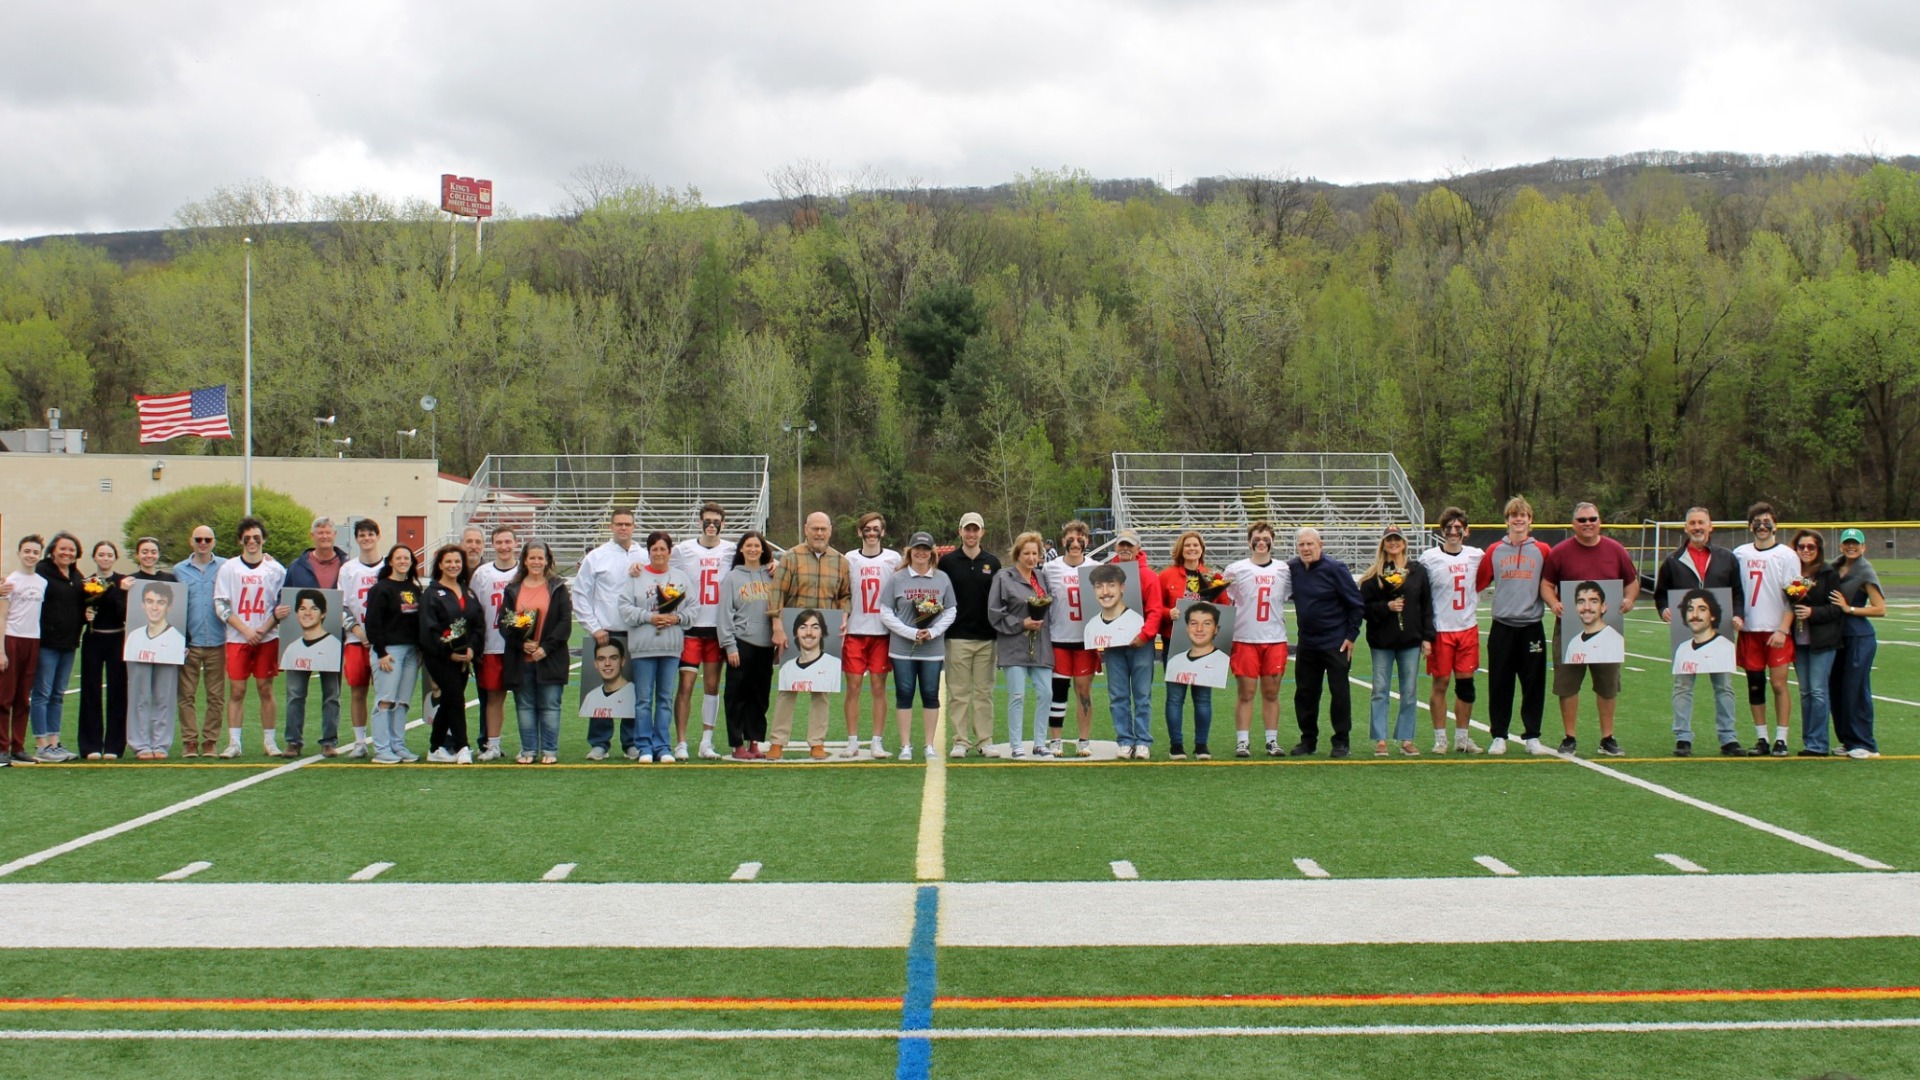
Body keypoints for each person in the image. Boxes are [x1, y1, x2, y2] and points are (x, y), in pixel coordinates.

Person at [1541, 502, 1638, 757]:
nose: (1588, 523)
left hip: (1608, 629)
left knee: (1607, 685)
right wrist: (1553, 602)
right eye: (1582, 520)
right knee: (1568, 686)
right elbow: (1546, 584)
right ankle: (1569, 737)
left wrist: (1629, 600)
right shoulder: (1560, 552)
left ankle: (1607, 737)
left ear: (1600, 521)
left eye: (1592, 518)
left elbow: (1632, 583)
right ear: (1574, 524)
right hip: (1569, 627)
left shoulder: (1615, 550)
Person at [1652, 508, 1745, 757]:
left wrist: (1738, 614)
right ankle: (1683, 737)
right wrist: (1664, 610)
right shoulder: (1673, 560)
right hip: (1686, 632)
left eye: (1701, 522)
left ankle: (1728, 737)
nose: (1697, 527)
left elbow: (1737, 592)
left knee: (1724, 686)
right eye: (1692, 523)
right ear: (1686, 528)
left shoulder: (1726, 558)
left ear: (1710, 526)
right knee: (1683, 686)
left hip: (1720, 631)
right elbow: (1660, 594)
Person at [1476, 496, 1555, 755]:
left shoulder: (1543, 550)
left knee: (1533, 684)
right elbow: (1478, 583)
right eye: (1513, 515)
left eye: (1523, 515)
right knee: (1500, 683)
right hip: (1502, 626)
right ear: (1507, 520)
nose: (1518, 520)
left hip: (1531, 626)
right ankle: (1499, 735)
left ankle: (1532, 736)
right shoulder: (1494, 550)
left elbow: (1552, 582)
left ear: (1530, 520)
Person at [770, 511, 851, 761]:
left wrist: (844, 616)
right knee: (788, 687)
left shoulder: (840, 561)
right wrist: (777, 625)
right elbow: (777, 593)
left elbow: (845, 595)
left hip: (824, 633)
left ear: (830, 531)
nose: (819, 533)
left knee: (821, 690)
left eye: (823, 529)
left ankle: (817, 742)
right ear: (806, 529)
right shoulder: (791, 557)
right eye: (814, 528)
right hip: (794, 631)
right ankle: (777, 741)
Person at [572, 508, 648, 760]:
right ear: (611, 526)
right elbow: (580, 594)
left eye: (627, 524)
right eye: (618, 524)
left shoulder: (645, 555)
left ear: (634, 527)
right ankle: (599, 743)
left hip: (637, 632)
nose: (623, 528)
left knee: (634, 690)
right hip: (606, 633)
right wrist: (594, 627)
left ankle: (631, 742)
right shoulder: (596, 557)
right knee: (602, 688)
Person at [879, 532, 958, 762]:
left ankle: (929, 745)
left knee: (930, 694)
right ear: (910, 551)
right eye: (917, 549)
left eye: (925, 549)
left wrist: (933, 632)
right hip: (902, 648)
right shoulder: (897, 578)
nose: (921, 553)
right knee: (904, 694)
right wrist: (910, 632)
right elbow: (885, 611)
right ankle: (905, 745)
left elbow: (951, 610)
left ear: (932, 553)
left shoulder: (942, 578)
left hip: (932, 649)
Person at [213, 516, 287, 758]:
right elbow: (221, 604)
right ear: (240, 541)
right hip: (238, 637)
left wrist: (263, 628)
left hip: (267, 637)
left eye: (257, 537)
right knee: (237, 690)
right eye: (247, 538)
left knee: (266, 688)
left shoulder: (276, 569)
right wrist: (245, 630)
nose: (252, 542)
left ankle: (269, 741)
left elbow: (282, 605)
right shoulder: (229, 568)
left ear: (264, 539)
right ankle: (234, 742)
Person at [276, 516, 350, 758]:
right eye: (320, 533)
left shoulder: (347, 566)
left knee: (332, 694)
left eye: (328, 532)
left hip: (334, 638)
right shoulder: (297, 566)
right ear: (312, 536)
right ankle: (293, 741)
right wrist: (278, 610)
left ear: (334, 535)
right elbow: (283, 597)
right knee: (295, 693)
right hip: (298, 638)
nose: (324, 536)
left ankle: (329, 741)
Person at [1287, 527, 1363, 759]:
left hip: (1335, 642)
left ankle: (1341, 741)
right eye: (1302, 544)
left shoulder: (1336, 569)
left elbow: (1356, 604)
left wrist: (1351, 636)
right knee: (1305, 693)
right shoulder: (1293, 568)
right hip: (1307, 643)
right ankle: (1308, 740)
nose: (1306, 548)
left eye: (1310, 544)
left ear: (1320, 545)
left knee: (1339, 693)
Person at [619, 531, 694, 763]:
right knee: (643, 699)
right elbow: (624, 608)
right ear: (648, 552)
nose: (659, 553)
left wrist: (676, 618)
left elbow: (693, 609)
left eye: (663, 549)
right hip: (643, 647)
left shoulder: (680, 578)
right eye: (654, 549)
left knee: (664, 698)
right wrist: (649, 617)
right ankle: (644, 746)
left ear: (670, 552)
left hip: (670, 647)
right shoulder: (636, 576)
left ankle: (662, 746)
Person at [671, 502, 738, 761]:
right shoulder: (684, 549)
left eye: (716, 521)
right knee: (686, 685)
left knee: (712, 685)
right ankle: (681, 742)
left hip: (717, 629)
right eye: (707, 521)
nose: (711, 525)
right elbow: (659, 562)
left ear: (723, 523)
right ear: (700, 522)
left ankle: (706, 742)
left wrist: (771, 565)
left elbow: (756, 561)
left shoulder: (731, 550)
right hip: (690, 627)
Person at [1731, 502, 1798, 756]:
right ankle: (1762, 738)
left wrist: (1783, 629)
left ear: (1775, 526)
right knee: (1755, 685)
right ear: (1750, 527)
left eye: (1767, 522)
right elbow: (1733, 589)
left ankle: (1782, 738)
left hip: (1776, 631)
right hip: (1749, 630)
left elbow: (1795, 596)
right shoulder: (1740, 553)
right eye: (1757, 523)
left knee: (1779, 684)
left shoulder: (1787, 556)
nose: (1762, 527)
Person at [1360, 526, 1433, 757]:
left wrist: (1428, 637)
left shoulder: (1417, 571)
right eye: (1389, 539)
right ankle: (1380, 739)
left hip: (1410, 640)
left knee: (1409, 691)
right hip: (1382, 642)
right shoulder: (1374, 574)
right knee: (1380, 689)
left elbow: (1426, 605)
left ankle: (1406, 738)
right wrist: (1387, 607)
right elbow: (1363, 608)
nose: (1393, 543)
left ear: (1404, 542)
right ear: (1383, 544)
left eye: (1397, 539)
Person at [499, 539, 572, 765]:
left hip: (551, 658)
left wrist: (545, 648)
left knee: (550, 706)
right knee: (525, 706)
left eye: (541, 558)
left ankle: (549, 750)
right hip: (521, 660)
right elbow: (504, 623)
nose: (537, 562)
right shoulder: (513, 589)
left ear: (547, 560)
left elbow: (564, 624)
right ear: (524, 561)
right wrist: (521, 644)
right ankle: (528, 750)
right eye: (532, 558)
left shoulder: (557, 587)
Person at [1223, 521, 1292, 758]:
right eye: (1257, 538)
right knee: (1246, 692)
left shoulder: (1284, 570)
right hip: (1244, 638)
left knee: (1271, 692)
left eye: (1266, 539)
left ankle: (1272, 740)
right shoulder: (1235, 569)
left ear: (1273, 541)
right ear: (1249, 541)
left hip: (1274, 638)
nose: (1261, 543)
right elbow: (1225, 600)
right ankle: (1243, 741)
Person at [1419, 507, 1485, 754]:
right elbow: (1420, 594)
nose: (1453, 532)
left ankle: (1462, 738)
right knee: (1441, 682)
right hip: (1441, 629)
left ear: (1466, 531)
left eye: (1458, 528)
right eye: (1448, 528)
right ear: (1442, 530)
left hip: (1467, 628)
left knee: (1466, 685)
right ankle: (1440, 739)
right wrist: (1424, 634)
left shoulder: (1476, 555)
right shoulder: (1429, 558)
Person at [937, 512, 1000, 756]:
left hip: (987, 637)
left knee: (984, 693)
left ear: (982, 532)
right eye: (967, 529)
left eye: (976, 529)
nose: (971, 534)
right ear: (960, 531)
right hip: (957, 636)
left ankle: (985, 741)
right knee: (959, 693)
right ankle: (961, 741)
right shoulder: (947, 562)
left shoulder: (992, 562)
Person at [1099, 530, 1164, 759]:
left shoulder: (1149, 576)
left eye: (1130, 545)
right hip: (1114, 645)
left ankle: (1143, 740)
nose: (1125, 549)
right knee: (1118, 695)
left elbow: (1155, 610)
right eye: (1122, 545)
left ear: (1138, 548)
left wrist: (1145, 635)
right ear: (1116, 548)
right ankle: (1125, 740)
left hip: (1141, 644)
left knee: (1142, 694)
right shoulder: (1105, 574)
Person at [989, 532, 1054, 759]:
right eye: (1026, 553)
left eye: (1035, 553)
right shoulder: (1003, 577)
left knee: (1046, 692)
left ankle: (1040, 743)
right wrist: (1021, 623)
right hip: (1013, 644)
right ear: (1017, 554)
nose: (1031, 557)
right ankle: (1016, 745)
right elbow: (994, 612)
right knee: (1017, 695)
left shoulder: (1041, 577)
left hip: (1041, 645)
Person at [842, 511, 901, 758]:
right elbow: (843, 592)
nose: (872, 533)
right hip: (855, 630)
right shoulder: (849, 559)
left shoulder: (893, 558)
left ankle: (877, 741)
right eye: (867, 529)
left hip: (882, 632)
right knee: (853, 686)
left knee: (879, 687)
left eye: (876, 528)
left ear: (883, 531)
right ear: (860, 532)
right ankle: (852, 741)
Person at [1158, 530, 1219, 760]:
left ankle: (1201, 745)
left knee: (1203, 698)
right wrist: (1169, 613)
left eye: (1196, 545)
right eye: (1187, 545)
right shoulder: (1167, 575)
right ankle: (1176, 745)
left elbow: (1224, 606)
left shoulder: (1212, 576)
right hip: (1175, 642)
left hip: (1205, 644)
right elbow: (1155, 606)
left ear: (1202, 549)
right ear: (1180, 550)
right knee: (1175, 697)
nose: (1192, 549)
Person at [717, 532, 776, 759]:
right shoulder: (732, 577)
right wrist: (729, 646)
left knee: (759, 696)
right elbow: (724, 614)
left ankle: (754, 741)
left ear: (763, 549)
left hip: (766, 644)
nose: (753, 549)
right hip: (742, 642)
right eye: (748, 545)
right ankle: (737, 744)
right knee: (736, 695)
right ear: (741, 549)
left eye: (757, 545)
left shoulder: (772, 575)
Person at [419, 544, 480, 764]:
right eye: (448, 562)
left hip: (464, 659)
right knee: (455, 698)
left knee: (448, 700)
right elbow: (428, 630)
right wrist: (448, 653)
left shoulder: (468, 592)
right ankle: (462, 746)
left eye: (457, 561)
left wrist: (472, 648)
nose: (453, 565)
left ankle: (435, 748)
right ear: (440, 565)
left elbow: (477, 625)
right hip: (440, 659)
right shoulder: (431, 594)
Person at [1042, 521, 1098, 758]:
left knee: (1083, 691)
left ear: (1087, 541)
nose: (1075, 543)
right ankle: (1056, 740)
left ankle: (1083, 740)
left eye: (1080, 538)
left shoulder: (1097, 568)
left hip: (1086, 641)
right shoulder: (1050, 568)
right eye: (1071, 539)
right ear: (1063, 541)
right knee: (1058, 691)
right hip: (1059, 638)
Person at [364, 544, 423, 764]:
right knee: (385, 700)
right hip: (389, 652)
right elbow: (372, 623)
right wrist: (380, 651)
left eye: (406, 558)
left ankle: (398, 745)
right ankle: (382, 749)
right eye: (398, 558)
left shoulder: (414, 589)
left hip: (411, 652)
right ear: (390, 561)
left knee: (402, 702)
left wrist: (420, 648)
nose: (403, 561)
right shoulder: (381, 589)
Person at [31, 531, 87, 762]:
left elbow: (80, 604)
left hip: (69, 643)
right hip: (47, 643)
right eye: (62, 548)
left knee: (58, 694)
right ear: (53, 550)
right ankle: (41, 745)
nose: (67, 553)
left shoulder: (76, 575)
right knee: (42, 693)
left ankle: (54, 743)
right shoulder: (42, 571)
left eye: (71, 550)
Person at [1788, 530, 1844, 756]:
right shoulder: (1793, 573)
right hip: (1799, 640)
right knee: (1805, 692)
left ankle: (1818, 744)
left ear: (1818, 549)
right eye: (1801, 546)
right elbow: (1788, 603)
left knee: (1818, 691)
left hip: (1823, 640)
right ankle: (1808, 741)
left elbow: (1836, 609)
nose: (1806, 551)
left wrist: (1813, 612)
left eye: (1811, 547)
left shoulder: (1828, 573)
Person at [1830, 528, 1885, 759]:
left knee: (1856, 690)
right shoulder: (1835, 567)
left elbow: (1880, 608)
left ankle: (1866, 743)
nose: (1851, 547)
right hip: (1838, 637)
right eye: (1847, 543)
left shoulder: (1865, 571)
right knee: (1837, 689)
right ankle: (1848, 740)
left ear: (1863, 547)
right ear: (1841, 546)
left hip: (1859, 637)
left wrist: (1849, 608)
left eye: (1855, 543)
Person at [173, 524, 227, 759]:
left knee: (216, 696)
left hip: (218, 641)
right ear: (191, 541)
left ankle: (210, 741)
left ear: (214, 542)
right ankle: (189, 741)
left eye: (207, 539)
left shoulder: (226, 567)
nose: (203, 543)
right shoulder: (178, 570)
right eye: (198, 539)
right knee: (186, 695)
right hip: (190, 643)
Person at [469, 524, 521, 762]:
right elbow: (473, 610)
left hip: (518, 646)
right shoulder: (482, 574)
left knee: (524, 698)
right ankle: (493, 745)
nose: (504, 547)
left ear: (516, 543)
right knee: (493, 697)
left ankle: (528, 744)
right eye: (499, 542)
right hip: (491, 644)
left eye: (508, 542)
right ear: (492, 545)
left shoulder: (523, 571)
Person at [74, 539, 128, 759]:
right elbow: (78, 611)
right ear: (94, 557)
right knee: (90, 691)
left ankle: (115, 746)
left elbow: (125, 612)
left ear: (115, 558)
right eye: (101, 554)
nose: (105, 558)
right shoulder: (87, 582)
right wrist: (85, 615)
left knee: (118, 691)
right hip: (93, 639)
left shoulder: (124, 581)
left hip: (117, 639)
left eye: (109, 555)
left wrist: (121, 592)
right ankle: (90, 745)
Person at [336, 518, 386, 758]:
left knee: (384, 693)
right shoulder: (348, 569)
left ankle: (384, 740)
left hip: (384, 642)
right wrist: (358, 631)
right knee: (358, 690)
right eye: (362, 535)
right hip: (356, 639)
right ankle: (359, 741)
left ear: (378, 536)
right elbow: (341, 605)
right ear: (356, 539)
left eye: (370, 534)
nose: (366, 538)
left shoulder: (388, 566)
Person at [124, 578, 185, 759]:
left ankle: (160, 743)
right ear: (142, 604)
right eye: (150, 601)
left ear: (169, 606)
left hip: (169, 656)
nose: (155, 607)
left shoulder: (177, 639)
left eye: (161, 602)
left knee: (164, 697)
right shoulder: (134, 637)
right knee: (139, 697)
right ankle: (140, 744)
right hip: (137, 657)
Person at [0, 536, 48, 764]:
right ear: (19, 553)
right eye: (27, 551)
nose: (31, 555)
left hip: (32, 640)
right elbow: (2, 616)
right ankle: (2, 748)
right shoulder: (10, 581)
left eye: (35, 552)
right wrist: (1, 650)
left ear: (40, 555)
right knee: (5, 697)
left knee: (23, 698)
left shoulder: (42, 582)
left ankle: (18, 746)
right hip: (12, 639)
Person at [1165, 602, 1230, 689]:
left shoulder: (1223, 661)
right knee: (1174, 696)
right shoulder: (1174, 661)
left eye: (1207, 623)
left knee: (1202, 696)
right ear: (1187, 628)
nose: (1199, 629)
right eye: (1194, 623)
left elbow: (1226, 602)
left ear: (1216, 629)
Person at [580, 638, 636, 738]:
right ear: (595, 664)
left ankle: (631, 742)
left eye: (613, 658)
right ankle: (599, 743)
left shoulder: (633, 692)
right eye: (601, 659)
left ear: (623, 661)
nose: (607, 664)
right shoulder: (591, 697)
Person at [778, 609, 842, 691]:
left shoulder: (835, 666)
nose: (808, 632)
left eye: (815, 627)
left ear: (822, 632)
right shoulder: (786, 669)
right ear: (796, 633)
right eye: (803, 627)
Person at [1672, 591, 1736, 672]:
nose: (1695, 615)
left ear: (1712, 615)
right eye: (1690, 609)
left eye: (1702, 609)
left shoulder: (1727, 648)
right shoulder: (1682, 648)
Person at [281, 590, 343, 672]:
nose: (307, 613)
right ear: (297, 613)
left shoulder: (335, 646)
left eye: (314, 608)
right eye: (302, 608)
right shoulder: (291, 648)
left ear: (323, 613)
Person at [1562, 582, 1625, 663]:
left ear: (1603, 607)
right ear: (1576, 607)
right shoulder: (1573, 643)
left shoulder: (1615, 642)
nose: (1587, 607)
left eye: (1593, 601)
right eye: (1581, 602)